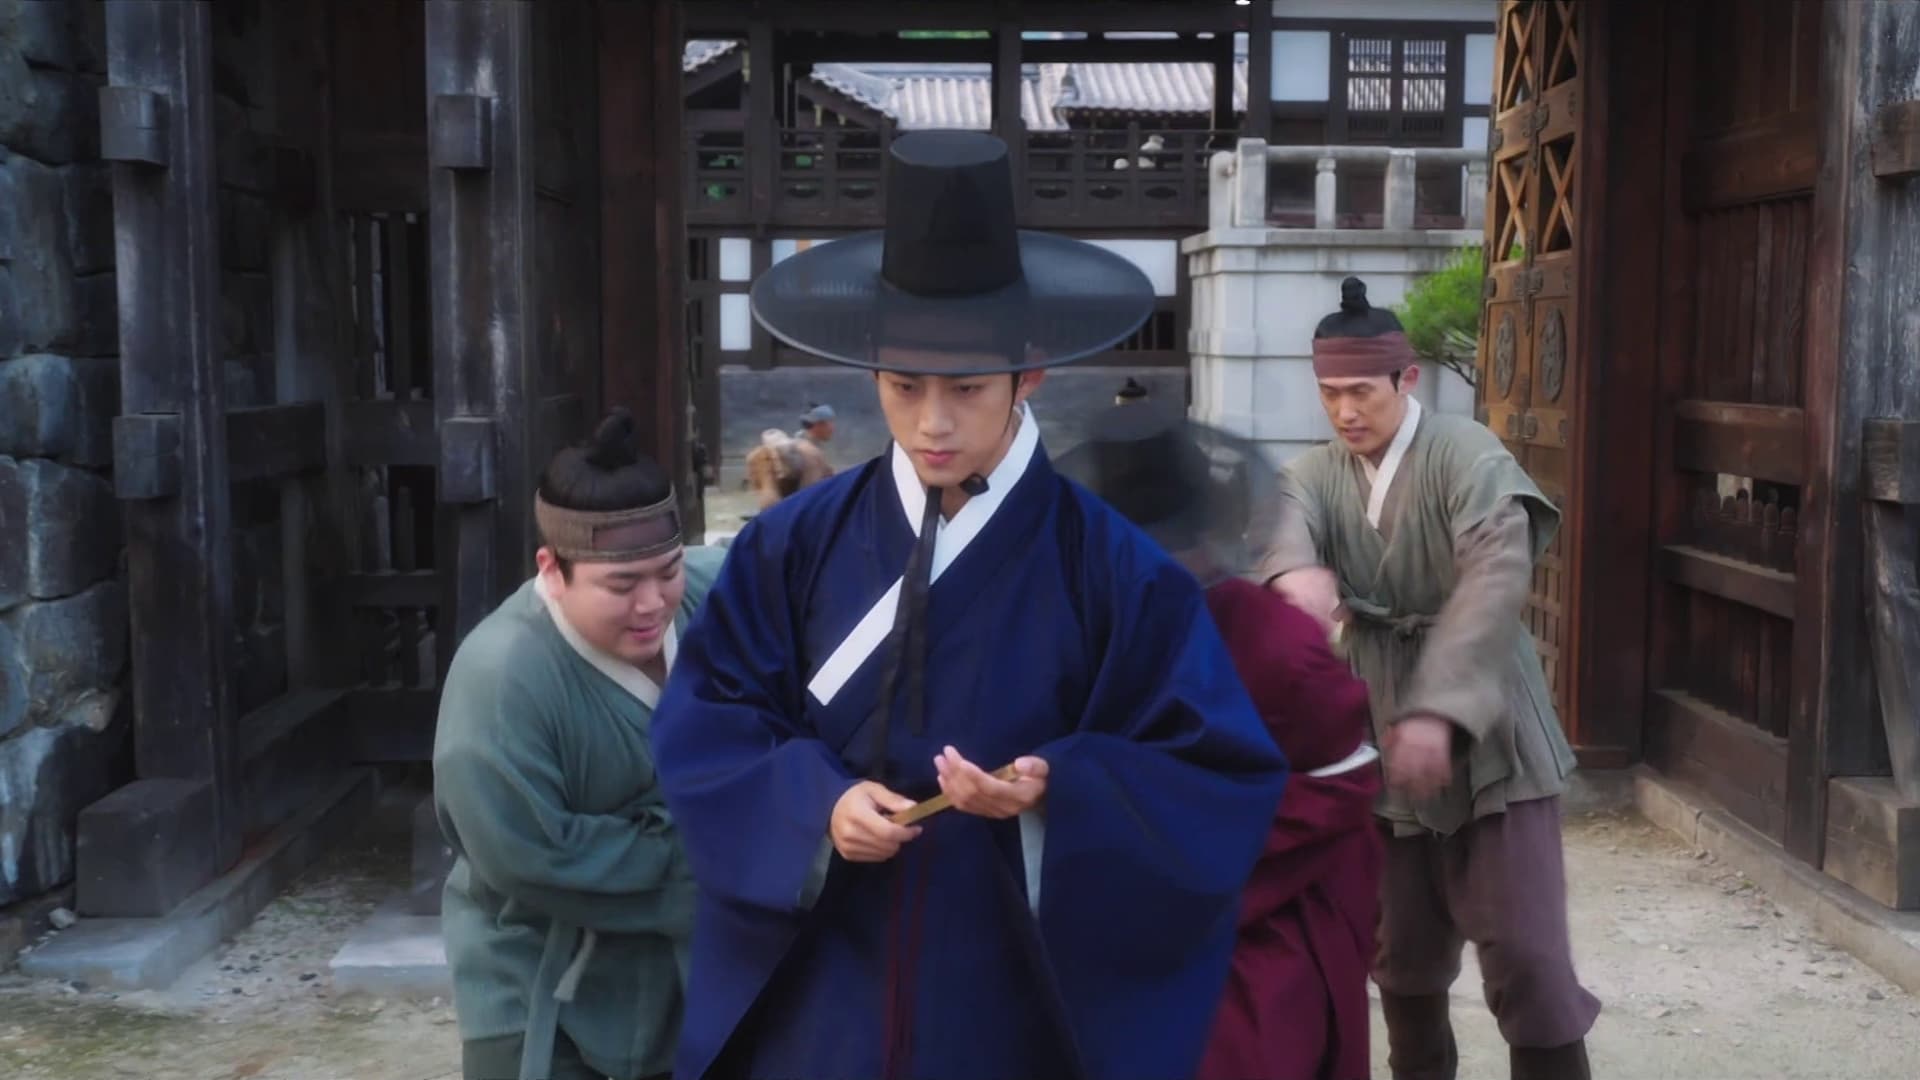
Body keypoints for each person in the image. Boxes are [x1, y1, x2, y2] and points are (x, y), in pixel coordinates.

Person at [651, 130, 1289, 1080]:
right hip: (823, 986)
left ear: (1030, 371)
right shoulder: (792, 543)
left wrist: (1059, 787)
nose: (933, 422)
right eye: (904, 386)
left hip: (1008, 988)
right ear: (872, 372)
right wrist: (815, 804)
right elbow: (708, 721)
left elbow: (1213, 772)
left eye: (968, 387)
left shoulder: (1116, 568)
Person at [1260, 277, 1599, 1080]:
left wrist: (1441, 709)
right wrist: (1293, 576)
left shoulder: (1464, 453)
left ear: (1407, 378)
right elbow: (1285, 534)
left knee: (1529, 956)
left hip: (1491, 722)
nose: (1345, 412)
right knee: (1400, 955)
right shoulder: (1312, 473)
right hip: (1379, 725)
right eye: (1330, 394)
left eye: (1362, 392)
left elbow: (1495, 575)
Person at [1057, 405, 1382, 1080]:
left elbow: (1340, 783)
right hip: (1120, 919)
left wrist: (1189, 840)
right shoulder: (1079, 634)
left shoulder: (1278, 644)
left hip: (1256, 925)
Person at [432, 409, 727, 1080]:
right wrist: (722, 858)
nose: (652, 603)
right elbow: (530, 855)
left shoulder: (707, 597)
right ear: (553, 569)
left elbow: (794, 569)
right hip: (539, 981)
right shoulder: (502, 679)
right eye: (622, 585)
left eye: (668, 571)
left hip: (680, 976)